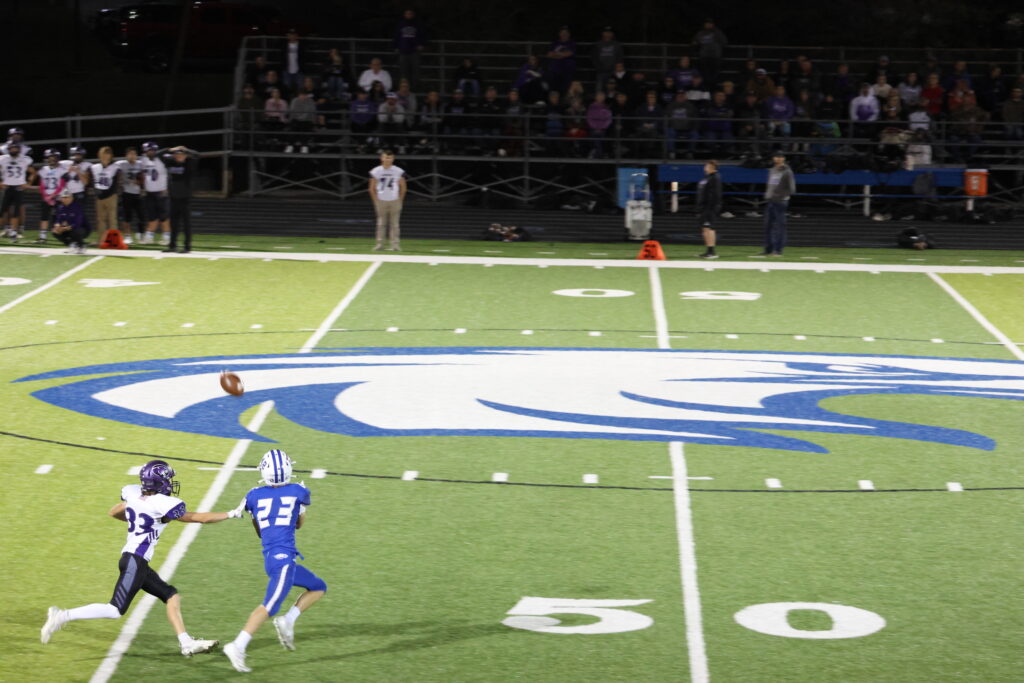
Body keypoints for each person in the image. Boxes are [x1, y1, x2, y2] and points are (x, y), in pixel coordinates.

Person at [41, 460, 242, 653]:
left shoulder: (133, 493)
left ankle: (186, 642)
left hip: (136, 561)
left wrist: (136, 516)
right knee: (115, 610)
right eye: (167, 479)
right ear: (159, 482)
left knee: (170, 595)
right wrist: (232, 513)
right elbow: (200, 518)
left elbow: (114, 512)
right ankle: (62, 616)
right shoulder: (163, 503)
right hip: (134, 561)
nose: (170, 483)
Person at [223, 450, 328, 673]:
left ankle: (288, 620)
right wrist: (299, 508)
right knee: (269, 606)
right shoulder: (299, 491)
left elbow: (260, 532)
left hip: (272, 558)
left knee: (318, 587)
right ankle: (237, 645)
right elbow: (298, 524)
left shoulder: (253, 495)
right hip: (284, 561)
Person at [368, 150, 407, 251]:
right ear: (382, 158)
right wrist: (376, 201)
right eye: (386, 157)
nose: (387, 159)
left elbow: (403, 187)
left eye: (390, 158)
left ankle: (395, 245)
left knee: (395, 224)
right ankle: (380, 244)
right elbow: (371, 188)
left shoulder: (398, 171)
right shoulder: (376, 171)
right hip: (381, 200)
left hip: (394, 200)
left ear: (393, 159)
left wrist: (400, 200)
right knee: (381, 224)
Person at [164, 146, 199, 253]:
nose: (179, 156)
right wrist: (170, 149)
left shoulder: (189, 164)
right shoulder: (171, 163)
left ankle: (187, 247)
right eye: (177, 155)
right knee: (173, 224)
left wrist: (185, 149)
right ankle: (172, 246)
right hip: (173, 198)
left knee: (186, 224)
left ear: (185, 156)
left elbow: (197, 154)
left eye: (181, 155)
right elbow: (158, 154)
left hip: (184, 199)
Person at [761, 151, 795, 257]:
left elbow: (792, 189)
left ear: (783, 158)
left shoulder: (787, 171)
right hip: (771, 201)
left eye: (780, 157)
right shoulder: (772, 170)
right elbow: (771, 185)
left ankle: (778, 250)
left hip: (780, 201)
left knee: (780, 226)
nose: (778, 158)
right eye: (776, 156)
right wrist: (768, 195)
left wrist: (780, 196)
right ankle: (768, 249)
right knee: (768, 226)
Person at [0, 140, 35, 240]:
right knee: (2, 211)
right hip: (7, 187)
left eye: (15, 148)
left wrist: (28, 184)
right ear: (9, 149)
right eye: (12, 148)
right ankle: (8, 230)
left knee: (16, 212)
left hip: (18, 188)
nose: (13, 150)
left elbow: (33, 172)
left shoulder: (25, 159)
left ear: (19, 149)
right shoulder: (3, 159)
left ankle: (13, 232)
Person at [90, 146, 126, 243]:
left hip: (111, 196)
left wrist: (107, 193)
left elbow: (116, 183)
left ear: (111, 156)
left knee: (112, 219)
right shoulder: (95, 167)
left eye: (107, 154)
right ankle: (101, 241)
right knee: (100, 219)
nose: (105, 156)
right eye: (103, 154)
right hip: (99, 196)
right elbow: (93, 181)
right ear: (99, 155)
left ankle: (113, 241)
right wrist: (97, 192)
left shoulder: (115, 167)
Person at [139, 141, 171, 245]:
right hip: (149, 193)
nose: (150, 152)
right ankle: (149, 237)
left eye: (152, 150)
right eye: (148, 150)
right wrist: (143, 188)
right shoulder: (143, 160)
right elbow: (143, 174)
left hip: (161, 192)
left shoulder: (162, 158)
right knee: (152, 216)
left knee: (164, 217)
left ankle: (167, 237)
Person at [36, 148, 66, 243]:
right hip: (46, 197)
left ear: (58, 158)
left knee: (59, 217)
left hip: (58, 197)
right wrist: (46, 196)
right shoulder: (43, 170)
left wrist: (52, 196)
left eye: (54, 157)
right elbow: (41, 185)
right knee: (44, 216)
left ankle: (63, 235)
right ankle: (42, 236)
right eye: (50, 157)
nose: (52, 159)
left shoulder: (61, 170)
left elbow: (62, 185)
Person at [117, 147, 146, 243]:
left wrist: (141, 183)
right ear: (126, 155)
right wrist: (120, 181)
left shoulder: (140, 164)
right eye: (130, 154)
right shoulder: (121, 164)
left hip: (138, 193)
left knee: (141, 216)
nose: (132, 156)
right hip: (126, 193)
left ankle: (141, 235)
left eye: (134, 154)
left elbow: (144, 177)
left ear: (136, 155)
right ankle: (127, 236)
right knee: (127, 217)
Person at [393, 8, 428, 88]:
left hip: (414, 51)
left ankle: (415, 88)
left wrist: (422, 44)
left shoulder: (418, 24)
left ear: (413, 15)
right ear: (404, 15)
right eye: (407, 13)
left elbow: (423, 35)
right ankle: (403, 88)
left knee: (416, 71)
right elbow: (396, 36)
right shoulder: (401, 24)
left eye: (410, 13)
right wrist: (396, 46)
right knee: (403, 71)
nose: (408, 15)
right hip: (403, 51)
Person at [696, 160, 722, 259]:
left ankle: (712, 252)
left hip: (710, 207)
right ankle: (708, 250)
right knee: (704, 228)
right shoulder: (707, 178)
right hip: (703, 207)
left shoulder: (715, 177)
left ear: (712, 167)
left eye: (707, 166)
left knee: (710, 227)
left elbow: (716, 194)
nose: (705, 167)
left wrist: (713, 207)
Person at [692, 18, 728, 84]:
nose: (708, 25)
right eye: (707, 23)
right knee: (705, 75)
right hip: (704, 57)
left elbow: (724, 42)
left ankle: (713, 87)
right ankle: (707, 87)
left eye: (710, 23)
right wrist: (696, 45)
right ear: (704, 24)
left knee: (715, 76)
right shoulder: (700, 33)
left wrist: (717, 48)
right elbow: (695, 42)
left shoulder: (718, 32)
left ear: (713, 24)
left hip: (715, 57)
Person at [545, 26, 576, 95]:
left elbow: (570, 53)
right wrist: (562, 55)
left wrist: (556, 54)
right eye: (562, 32)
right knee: (553, 88)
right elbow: (549, 54)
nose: (564, 34)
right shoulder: (555, 43)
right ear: (559, 34)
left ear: (569, 34)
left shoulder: (571, 43)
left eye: (566, 32)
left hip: (567, 70)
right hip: (555, 70)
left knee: (565, 89)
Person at [591, 27, 623, 91]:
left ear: (612, 34)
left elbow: (620, 57)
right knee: (599, 89)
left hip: (613, 71)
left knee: (614, 89)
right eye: (606, 32)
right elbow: (594, 57)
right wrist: (598, 67)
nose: (608, 34)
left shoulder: (617, 44)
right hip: (601, 71)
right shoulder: (598, 44)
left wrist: (617, 68)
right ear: (602, 33)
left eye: (610, 32)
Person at [279, 29, 305, 96]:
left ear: (297, 36)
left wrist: (302, 67)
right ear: (288, 36)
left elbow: (304, 57)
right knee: (286, 89)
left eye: (294, 35)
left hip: (299, 70)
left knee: (300, 88)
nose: (292, 36)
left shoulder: (301, 45)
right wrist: (283, 67)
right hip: (287, 70)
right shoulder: (284, 45)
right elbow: (281, 57)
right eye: (290, 35)